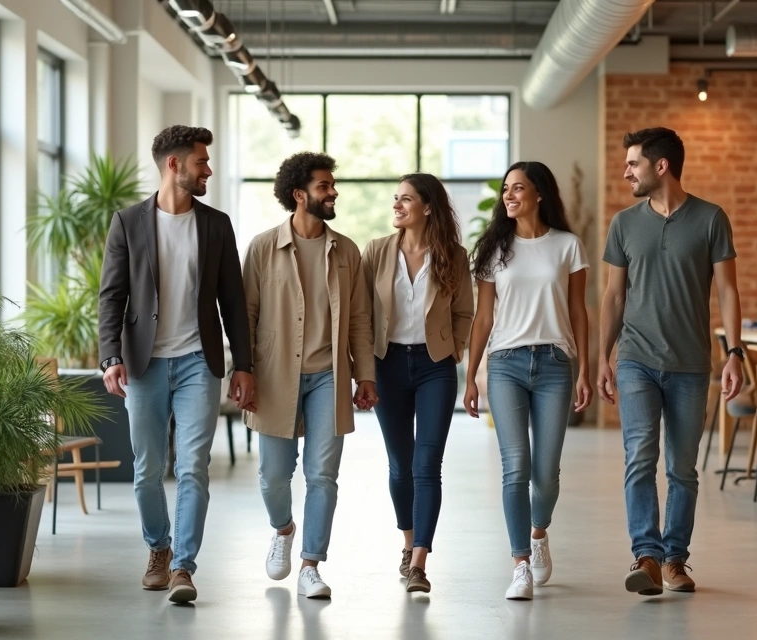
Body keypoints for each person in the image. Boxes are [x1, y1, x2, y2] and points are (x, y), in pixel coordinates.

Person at [98, 125, 256, 604]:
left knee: (193, 468)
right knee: (147, 470)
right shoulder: (127, 222)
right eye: (201, 162)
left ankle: (184, 567)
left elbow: (233, 300)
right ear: (175, 165)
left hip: (197, 362)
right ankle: (159, 549)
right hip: (143, 364)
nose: (208, 169)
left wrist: (243, 365)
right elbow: (111, 296)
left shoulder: (216, 224)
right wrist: (110, 356)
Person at [598, 127, 744, 596]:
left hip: (690, 364)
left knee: (683, 467)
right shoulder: (623, 223)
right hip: (636, 359)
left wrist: (734, 353)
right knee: (640, 457)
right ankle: (648, 557)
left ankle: (676, 560)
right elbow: (613, 296)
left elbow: (727, 290)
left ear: (661, 166)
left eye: (634, 163)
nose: (627, 172)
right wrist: (601, 357)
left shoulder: (710, 219)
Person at [242, 151, 377, 599]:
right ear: (299, 195)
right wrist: (243, 371)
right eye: (324, 186)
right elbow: (246, 315)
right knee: (274, 476)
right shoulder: (264, 247)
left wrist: (366, 375)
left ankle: (310, 565)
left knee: (322, 475)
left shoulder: (347, 251)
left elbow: (359, 319)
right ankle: (283, 529)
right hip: (276, 375)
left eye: (332, 185)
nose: (333, 191)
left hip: (328, 377)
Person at [463, 160, 592, 601]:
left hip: (556, 363)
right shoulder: (495, 250)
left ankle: (539, 533)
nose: (509, 195)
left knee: (547, 473)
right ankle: (520, 563)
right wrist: (471, 375)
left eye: (518, 188)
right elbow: (483, 318)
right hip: (505, 364)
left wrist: (585, 372)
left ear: (540, 194)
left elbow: (579, 312)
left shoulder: (568, 246)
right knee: (515, 467)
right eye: (505, 189)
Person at [362, 173, 474, 594]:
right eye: (395, 198)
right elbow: (362, 314)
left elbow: (465, 310)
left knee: (427, 464)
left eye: (406, 199)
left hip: (434, 367)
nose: (397, 205)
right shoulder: (375, 252)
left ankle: (420, 563)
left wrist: (455, 348)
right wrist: (364, 369)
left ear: (427, 207)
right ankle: (407, 545)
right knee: (400, 465)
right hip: (387, 363)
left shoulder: (453, 255)